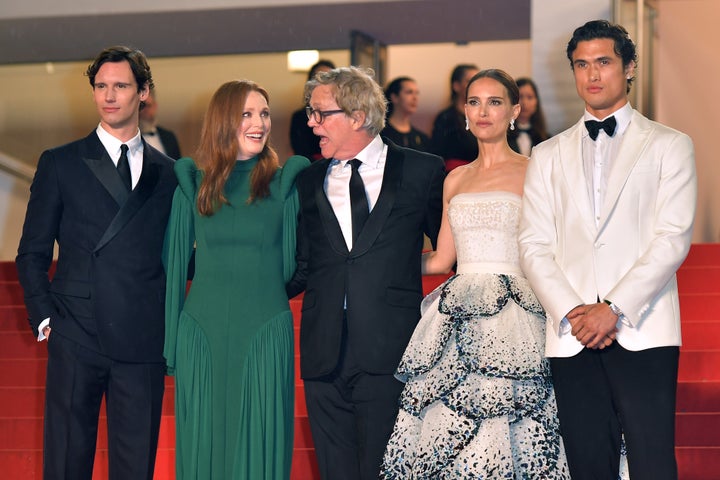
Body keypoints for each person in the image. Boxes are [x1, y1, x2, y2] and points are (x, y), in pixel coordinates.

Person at [518, 19, 696, 480]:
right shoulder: (546, 154)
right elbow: (533, 243)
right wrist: (575, 311)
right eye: (582, 65)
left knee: (652, 459)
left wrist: (612, 308)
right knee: (587, 462)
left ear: (629, 67)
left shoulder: (669, 145)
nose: (592, 75)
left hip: (643, 325)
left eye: (603, 62)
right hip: (571, 333)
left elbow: (672, 238)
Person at [381, 68, 570, 479]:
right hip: (457, 312)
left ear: (514, 111)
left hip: (520, 313)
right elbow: (440, 260)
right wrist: (382, 257)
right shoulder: (454, 178)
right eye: (474, 102)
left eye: (495, 102)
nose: (483, 111)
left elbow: (554, 251)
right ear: (464, 112)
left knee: (517, 432)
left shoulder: (536, 171)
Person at [15, 46, 176, 479]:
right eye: (101, 86)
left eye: (121, 86)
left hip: (142, 342)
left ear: (143, 93)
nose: (109, 95)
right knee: (66, 465)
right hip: (76, 333)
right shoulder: (61, 163)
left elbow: (180, 258)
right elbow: (31, 253)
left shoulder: (171, 174)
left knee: (135, 468)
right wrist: (47, 317)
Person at [285, 66, 445, 480]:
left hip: (390, 351)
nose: (310, 123)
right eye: (310, 113)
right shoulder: (305, 181)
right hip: (322, 354)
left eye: (320, 113)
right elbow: (301, 266)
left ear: (357, 116)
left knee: (385, 470)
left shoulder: (423, 171)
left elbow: (454, 257)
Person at [163, 80, 309, 479]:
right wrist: (171, 346)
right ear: (224, 121)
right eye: (247, 113)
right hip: (200, 332)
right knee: (203, 445)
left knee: (260, 448)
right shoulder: (193, 184)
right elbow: (174, 268)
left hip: (265, 329)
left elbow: (289, 266)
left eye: (264, 113)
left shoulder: (285, 183)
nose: (259, 122)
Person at [430, 63, 479, 171]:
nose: (475, 85)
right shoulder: (446, 118)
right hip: (455, 176)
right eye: (469, 81)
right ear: (456, 86)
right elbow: (437, 155)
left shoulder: (483, 115)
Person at [289, 59, 336, 161]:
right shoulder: (299, 117)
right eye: (319, 78)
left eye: (328, 78)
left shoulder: (342, 114)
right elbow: (300, 151)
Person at [381, 76, 430, 151]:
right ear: (394, 97)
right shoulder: (381, 134)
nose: (415, 98)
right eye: (409, 92)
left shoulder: (422, 138)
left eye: (417, 93)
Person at [508, 77, 549, 156]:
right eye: (520, 97)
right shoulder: (503, 137)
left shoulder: (545, 139)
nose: (524, 102)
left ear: (536, 102)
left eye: (529, 97)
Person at [140, 87, 182, 159]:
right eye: (141, 106)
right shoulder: (126, 138)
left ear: (155, 106)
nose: (144, 110)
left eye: (148, 106)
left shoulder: (169, 137)